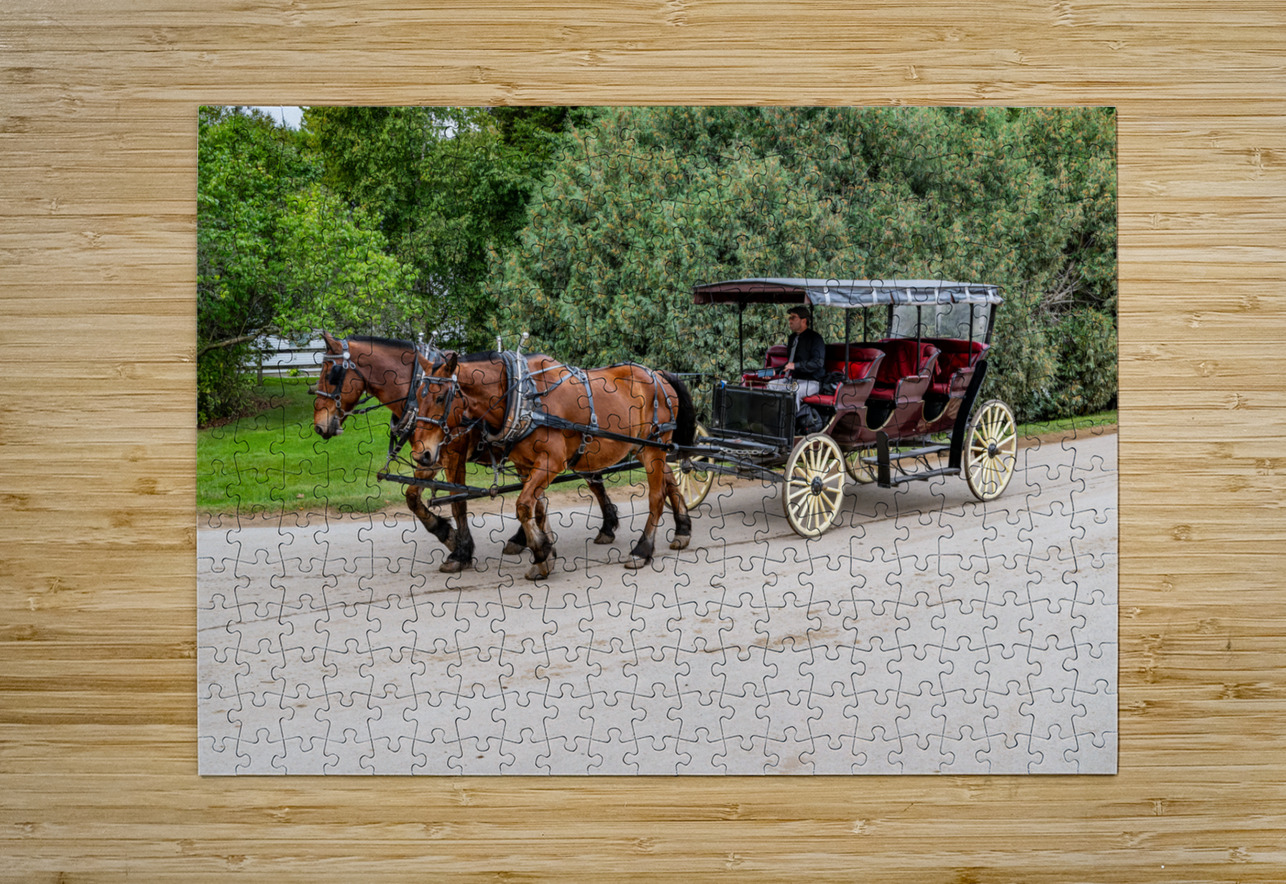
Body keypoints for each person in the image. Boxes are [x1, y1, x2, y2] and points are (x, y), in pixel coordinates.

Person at [768, 305, 826, 405]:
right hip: (793, 380)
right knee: (771, 385)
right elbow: (789, 364)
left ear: (803, 321)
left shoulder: (816, 339)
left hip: (812, 382)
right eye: (790, 317)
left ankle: (791, 420)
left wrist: (795, 365)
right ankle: (773, 418)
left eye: (793, 317)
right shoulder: (792, 338)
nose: (790, 320)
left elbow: (818, 363)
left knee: (794, 391)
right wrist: (768, 372)